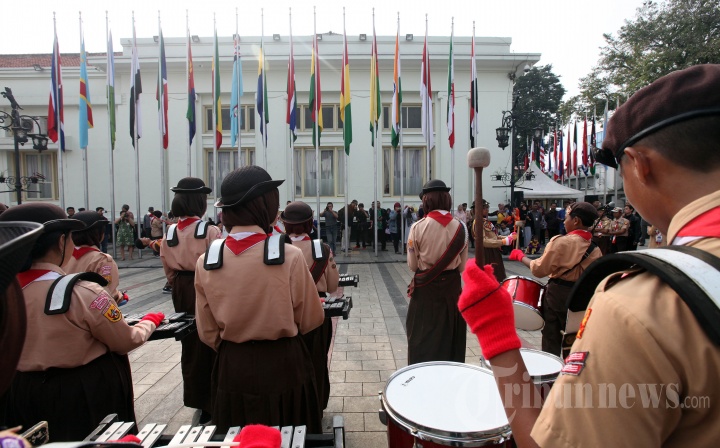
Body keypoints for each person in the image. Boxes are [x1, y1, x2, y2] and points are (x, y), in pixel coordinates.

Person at [458, 64, 720, 447]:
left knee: (551, 340)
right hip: (573, 296)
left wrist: (495, 332)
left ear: (640, 165)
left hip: (558, 296)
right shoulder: (600, 249)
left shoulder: (638, 308)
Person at [0, 203, 163, 441]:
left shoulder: (6, 294)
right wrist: (149, 322)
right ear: (61, 242)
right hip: (79, 393)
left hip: (19, 391)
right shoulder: (83, 292)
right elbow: (125, 340)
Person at [195, 166, 324, 432]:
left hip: (232, 366)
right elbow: (311, 319)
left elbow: (207, 331)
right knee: (289, 433)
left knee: (237, 435)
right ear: (265, 205)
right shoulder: (289, 255)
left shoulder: (207, 261)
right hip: (284, 363)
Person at [160, 177, 221, 424]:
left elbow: (167, 267)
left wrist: (179, 285)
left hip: (181, 287)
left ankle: (196, 396)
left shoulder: (170, 232)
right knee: (210, 339)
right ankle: (212, 399)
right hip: (205, 285)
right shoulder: (209, 231)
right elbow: (218, 265)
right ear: (199, 202)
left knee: (189, 342)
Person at [509, 202, 602, 356]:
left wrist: (521, 257)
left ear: (576, 220)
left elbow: (539, 270)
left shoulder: (562, 242)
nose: (564, 222)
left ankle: (551, 369)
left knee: (551, 337)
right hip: (582, 297)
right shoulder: (595, 248)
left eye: (567, 218)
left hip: (558, 294)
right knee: (573, 338)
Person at [282, 201, 339, 410]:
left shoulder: (276, 249)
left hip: (286, 313)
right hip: (317, 310)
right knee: (317, 361)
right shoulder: (321, 249)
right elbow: (333, 286)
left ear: (285, 224)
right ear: (310, 223)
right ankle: (316, 405)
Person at [406, 179, 469, 365]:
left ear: (427, 200)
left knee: (421, 336)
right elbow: (462, 267)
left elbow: (413, 266)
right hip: (452, 289)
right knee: (451, 335)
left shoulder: (417, 227)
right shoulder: (462, 227)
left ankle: (423, 372)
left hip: (426, 289)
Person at [61, 211, 126, 305]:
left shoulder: (62, 257)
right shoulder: (102, 260)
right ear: (98, 234)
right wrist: (119, 296)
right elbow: (107, 294)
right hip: (89, 311)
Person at [477, 200, 515, 282]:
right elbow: (483, 241)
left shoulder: (486, 221)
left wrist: (507, 237)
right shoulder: (478, 223)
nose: (487, 210)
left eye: (487, 208)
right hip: (486, 253)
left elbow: (494, 236)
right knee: (490, 278)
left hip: (494, 250)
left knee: (498, 277)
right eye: (484, 208)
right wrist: (503, 242)